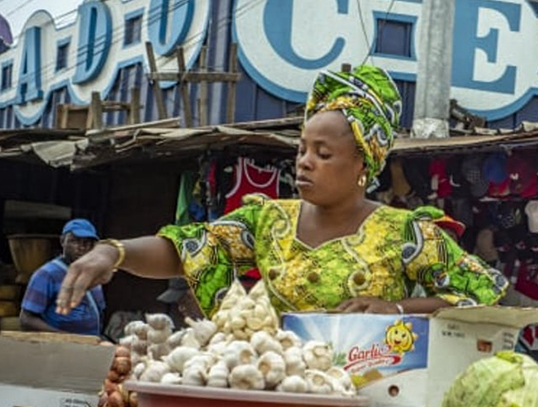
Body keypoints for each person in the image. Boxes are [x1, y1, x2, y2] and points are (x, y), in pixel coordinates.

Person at [55, 65, 507, 318]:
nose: (305, 161)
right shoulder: (268, 220)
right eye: (303, 149)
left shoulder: (405, 233)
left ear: (361, 164)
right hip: (282, 384)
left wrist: (397, 307)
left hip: (377, 402)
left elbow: (483, 294)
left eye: (323, 153)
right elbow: (192, 247)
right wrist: (113, 253)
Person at [20, 219, 106, 335]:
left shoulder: (93, 274)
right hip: (60, 347)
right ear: (62, 241)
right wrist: (64, 338)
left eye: (87, 242)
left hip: (90, 345)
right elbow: (26, 320)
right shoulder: (47, 274)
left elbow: (98, 312)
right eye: (75, 241)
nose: (82, 247)